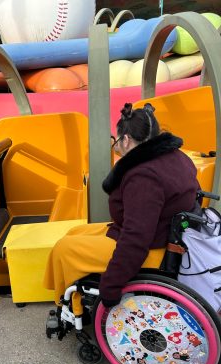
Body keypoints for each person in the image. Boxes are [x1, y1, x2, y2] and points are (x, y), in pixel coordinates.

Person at [44, 102, 200, 307]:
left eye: (116, 140)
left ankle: (66, 304)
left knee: (65, 248)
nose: (116, 146)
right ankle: (72, 295)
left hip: (156, 248)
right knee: (75, 231)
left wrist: (111, 286)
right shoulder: (175, 155)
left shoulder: (144, 177)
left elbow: (136, 239)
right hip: (168, 233)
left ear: (126, 140)